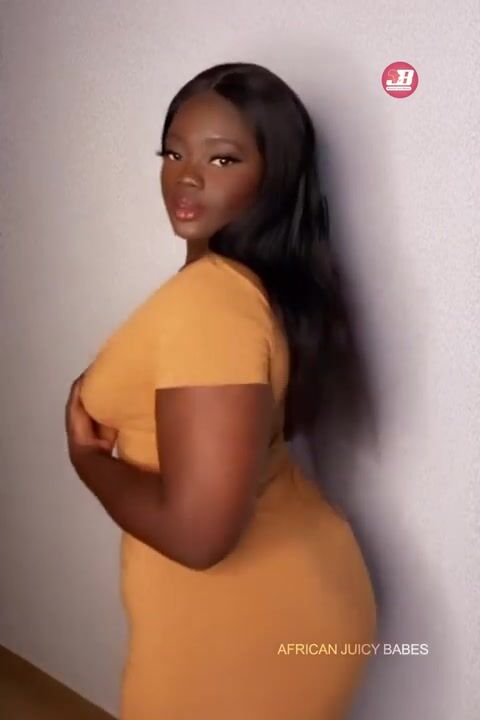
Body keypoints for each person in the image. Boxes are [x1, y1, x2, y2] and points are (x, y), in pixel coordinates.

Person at [65, 61, 377, 719]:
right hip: (293, 589)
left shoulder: (211, 302)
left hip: (243, 624)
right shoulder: (245, 284)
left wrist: (87, 459)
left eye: (223, 158)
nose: (186, 175)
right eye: (173, 152)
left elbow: (199, 537)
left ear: (274, 175)